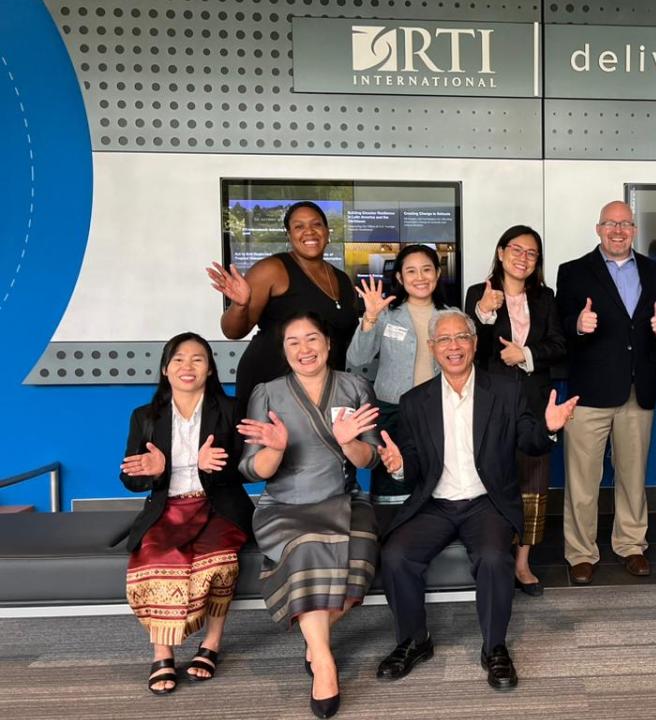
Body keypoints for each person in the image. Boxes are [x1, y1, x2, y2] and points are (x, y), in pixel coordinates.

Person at [374, 309, 578, 690]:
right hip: (435, 503)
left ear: (474, 342)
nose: (454, 346)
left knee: (494, 557)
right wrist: (401, 465)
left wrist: (549, 429)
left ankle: (494, 647)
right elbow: (415, 463)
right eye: (445, 340)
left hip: (486, 501)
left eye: (461, 337)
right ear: (433, 348)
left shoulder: (505, 389)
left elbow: (529, 440)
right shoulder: (415, 401)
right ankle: (414, 640)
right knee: (396, 555)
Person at [237, 312, 384, 719]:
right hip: (285, 504)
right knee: (305, 550)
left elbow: (370, 460)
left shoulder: (355, 386)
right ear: (284, 350)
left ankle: (311, 638)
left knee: (358, 567)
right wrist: (276, 451)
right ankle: (323, 662)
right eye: (294, 342)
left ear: (328, 343)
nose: (305, 349)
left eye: (312, 339)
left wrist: (348, 443)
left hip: (344, 498)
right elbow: (251, 470)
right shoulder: (267, 392)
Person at [120, 333, 254, 695]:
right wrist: (153, 471)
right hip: (168, 508)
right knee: (153, 558)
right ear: (165, 369)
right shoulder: (145, 417)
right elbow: (129, 481)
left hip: (219, 507)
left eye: (198, 359)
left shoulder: (230, 409)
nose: (187, 366)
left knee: (218, 561)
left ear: (210, 369)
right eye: (178, 359)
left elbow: (247, 470)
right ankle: (161, 652)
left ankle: (211, 644)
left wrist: (212, 467)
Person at [555, 200, 656, 584]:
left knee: (632, 475)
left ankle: (631, 545)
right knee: (582, 479)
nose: (618, 230)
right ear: (598, 229)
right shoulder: (573, 272)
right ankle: (580, 552)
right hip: (589, 392)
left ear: (634, 230)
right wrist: (577, 323)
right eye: (610, 224)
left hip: (636, 389)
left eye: (625, 224)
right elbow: (559, 325)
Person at [465, 226, 566, 596]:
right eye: (517, 250)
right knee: (495, 477)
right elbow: (469, 349)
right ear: (501, 251)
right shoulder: (480, 294)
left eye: (532, 253)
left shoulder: (545, 297)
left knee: (534, 481)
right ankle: (497, 553)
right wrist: (484, 315)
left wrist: (523, 354)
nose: (523, 258)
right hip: (491, 402)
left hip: (536, 402)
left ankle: (523, 562)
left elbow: (559, 346)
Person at [207, 201, 359, 419]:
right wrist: (240, 305)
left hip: (322, 387)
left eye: (316, 224)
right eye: (299, 226)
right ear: (289, 235)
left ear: (327, 232)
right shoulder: (272, 270)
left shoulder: (342, 279)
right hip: (270, 380)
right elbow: (232, 331)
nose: (309, 231)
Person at [347, 243, 447, 505]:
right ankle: (392, 537)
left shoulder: (451, 316)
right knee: (393, 482)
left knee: (436, 482)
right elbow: (357, 359)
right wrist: (369, 319)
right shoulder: (386, 315)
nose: (420, 277)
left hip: (438, 410)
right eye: (411, 271)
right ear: (401, 278)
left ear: (437, 273)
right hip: (392, 410)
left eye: (427, 270)